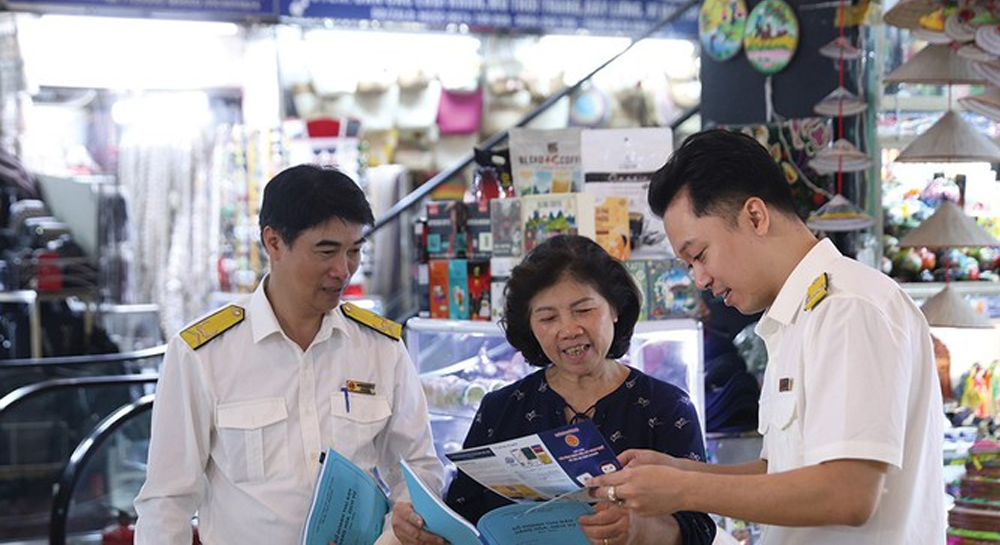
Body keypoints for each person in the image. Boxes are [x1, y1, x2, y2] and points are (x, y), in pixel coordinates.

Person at [588, 129, 946, 542]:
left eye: (699, 255)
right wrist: (680, 471)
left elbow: (848, 493)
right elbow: (784, 472)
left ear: (755, 216)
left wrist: (683, 489)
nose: (700, 279)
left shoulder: (846, 307)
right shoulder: (798, 317)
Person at [134, 164, 444, 543]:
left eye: (354, 251)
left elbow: (418, 465)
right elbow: (167, 500)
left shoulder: (381, 348)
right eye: (326, 251)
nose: (343, 270)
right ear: (274, 242)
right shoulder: (203, 354)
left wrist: (401, 524)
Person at [392, 234, 716, 545]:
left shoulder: (666, 407)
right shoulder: (500, 409)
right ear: (530, 327)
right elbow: (463, 515)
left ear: (616, 309)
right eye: (548, 318)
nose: (569, 330)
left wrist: (641, 532)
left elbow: (699, 527)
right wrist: (421, 527)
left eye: (583, 310)